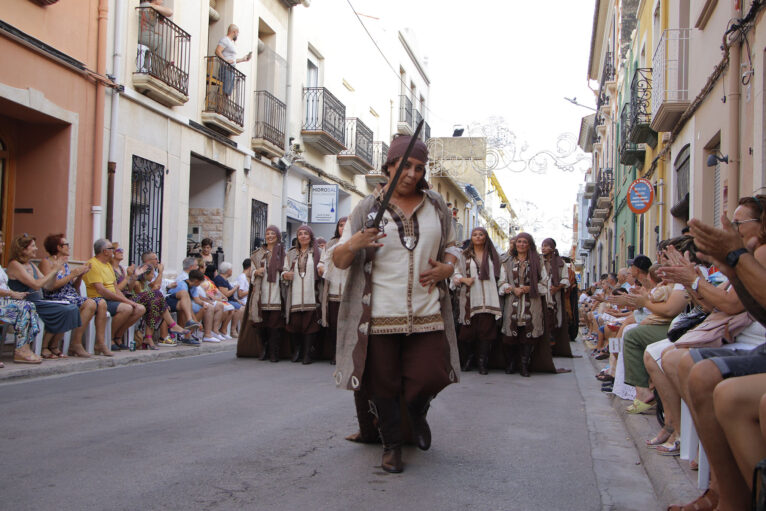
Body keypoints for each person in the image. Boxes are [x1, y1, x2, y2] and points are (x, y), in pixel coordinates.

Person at [332, 134, 462, 474]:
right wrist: (357, 241)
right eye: (405, 166)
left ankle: (416, 413)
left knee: (431, 373)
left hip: (427, 311)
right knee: (384, 384)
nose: (412, 174)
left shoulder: (435, 205)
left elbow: (453, 245)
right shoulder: (366, 208)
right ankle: (391, 446)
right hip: (378, 314)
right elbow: (340, 259)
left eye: (419, 168)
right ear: (389, 166)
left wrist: (448, 266)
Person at [6, 234, 82, 356]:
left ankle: (51, 345)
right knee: (65, 310)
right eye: (33, 246)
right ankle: (44, 347)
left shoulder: (31, 265)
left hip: (39, 302)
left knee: (72, 308)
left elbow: (47, 286)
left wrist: (55, 271)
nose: (36, 249)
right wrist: (53, 270)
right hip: (26, 303)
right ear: (23, 249)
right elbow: (36, 285)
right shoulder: (15, 265)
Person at [40, 233, 106, 358]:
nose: (69, 247)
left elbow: (74, 288)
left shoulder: (64, 263)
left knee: (99, 302)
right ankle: (57, 345)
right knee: (86, 304)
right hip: (55, 297)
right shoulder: (46, 262)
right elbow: (50, 286)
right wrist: (72, 274)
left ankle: (86, 343)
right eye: (66, 245)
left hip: (70, 296)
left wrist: (80, 274)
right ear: (58, 247)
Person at [452, 227, 502, 375]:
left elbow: (502, 276)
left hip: (490, 300)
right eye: (475, 235)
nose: (478, 237)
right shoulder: (463, 255)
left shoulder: (494, 256)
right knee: (466, 334)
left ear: (486, 237)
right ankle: (468, 359)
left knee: (486, 334)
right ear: (471, 238)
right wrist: (462, 279)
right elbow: (454, 272)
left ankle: (482, 363)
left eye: (481, 234)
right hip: (470, 299)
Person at [82, 239, 145, 355]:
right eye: (112, 249)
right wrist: (127, 302)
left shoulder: (108, 266)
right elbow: (101, 290)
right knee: (127, 308)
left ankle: (117, 336)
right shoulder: (93, 264)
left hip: (111, 299)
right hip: (99, 299)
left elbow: (115, 289)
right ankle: (107, 339)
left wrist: (127, 301)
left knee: (140, 308)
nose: (114, 251)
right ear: (105, 251)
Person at [498, 233, 548, 376]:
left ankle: (524, 365)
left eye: (525, 242)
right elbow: (501, 281)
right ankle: (511, 364)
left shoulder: (538, 261)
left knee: (528, 336)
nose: (521, 244)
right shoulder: (507, 261)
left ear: (529, 244)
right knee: (509, 336)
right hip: (512, 301)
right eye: (519, 242)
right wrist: (513, 289)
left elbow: (544, 282)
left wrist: (529, 288)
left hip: (532, 301)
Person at [238, 225, 285, 361]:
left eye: (273, 233)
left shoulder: (283, 253)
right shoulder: (256, 254)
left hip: (276, 291)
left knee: (275, 324)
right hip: (261, 291)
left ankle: (274, 351)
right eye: (268, 233)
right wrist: (256, 272)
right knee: (260, 323)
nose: (270, 236)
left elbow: (287, 268)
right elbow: (251, 271)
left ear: (277, 236)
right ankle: (263, 348)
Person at [130, 251, 188, 349]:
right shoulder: (137, 283)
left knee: (156, 303)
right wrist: (161, 272)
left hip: (150, 304)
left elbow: (155, 288)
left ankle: (148, 337)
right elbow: (155, 288)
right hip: (135, 302)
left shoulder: (146, 282)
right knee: (157, 299)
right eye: (152, 274)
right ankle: (172, 326)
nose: (153, 276)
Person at [0, 231, 42, 365]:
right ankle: (22, 349)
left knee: (28, 306)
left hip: (3, 302)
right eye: (0, 241)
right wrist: (11, 294)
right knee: (24, 307)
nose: (3, 243)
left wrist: (14, 293)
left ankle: (23, 349)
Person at [282, 225, 322, 364]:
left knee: (310, 325)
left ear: (311, 236)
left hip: (311, 294)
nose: (303, 236)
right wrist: (285, 274)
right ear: (297, 237)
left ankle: (307, 353)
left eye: (306, 233)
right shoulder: (291, 253)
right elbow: (284, 270)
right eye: (300, 234)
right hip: (295, 295)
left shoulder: (318, 252)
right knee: (295, 324)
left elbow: (322, 269)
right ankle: (297, 350)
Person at [318, 217, 348, 364]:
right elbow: (321, 264)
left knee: (349, 325)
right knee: (334, 324)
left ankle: (346, 355)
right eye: (340, 225)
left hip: (350, 292)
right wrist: (324, 270)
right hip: (333, 292)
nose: (343, 228)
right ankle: (335, 353)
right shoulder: (330, 244)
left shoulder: (355, 241)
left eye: (346, 225)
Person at [541, 238, 573, 358]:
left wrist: (557, 287)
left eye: (546, 246)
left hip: (554, 298)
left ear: (552, 248)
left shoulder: (560, 263)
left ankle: (551, 348)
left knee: (552, 321)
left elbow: (566, 278)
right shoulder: (538, 261)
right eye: (542, 245)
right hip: (542, 296)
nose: (543, 248)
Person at [214, 24, 252, 95]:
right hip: (226, 68)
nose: (237, 35)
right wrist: (226, 61)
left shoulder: (230, 42)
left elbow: (232, 60)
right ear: (234, 32)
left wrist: (243, 59)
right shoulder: (225, 40)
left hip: (231, 69)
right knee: (223, 91)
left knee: (226, 92)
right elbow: (217, 51)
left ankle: (221, 106)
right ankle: (219, 106)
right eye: (238, 33)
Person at [213, 261, 242, 337]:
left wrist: (236, 299)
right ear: (228, 270)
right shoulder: (220, 279)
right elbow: (226, 294)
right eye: (231, 269)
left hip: (230, 300)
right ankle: (231, 329)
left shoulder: (224, 279)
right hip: (225, 300)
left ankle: (235, 329)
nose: (232, 271)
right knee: (239, 308)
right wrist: (235, 288)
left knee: (242, 306)